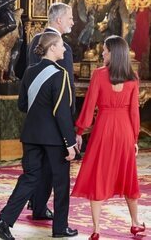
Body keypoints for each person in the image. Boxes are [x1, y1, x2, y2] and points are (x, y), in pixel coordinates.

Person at [0, 32, 79, 240]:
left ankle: (4, 220)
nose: (64, 49)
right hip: (54, 139)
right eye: (61, 46)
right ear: (51, 49)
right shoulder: (60, 74)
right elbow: (62, 112)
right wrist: (70, 142)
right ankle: (60, 228)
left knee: (29, 179)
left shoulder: (29, 71)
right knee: (60, 183)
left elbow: (22, 105)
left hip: (30, 135)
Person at [71, 35, 145, 240]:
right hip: (124, 131)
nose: (102, 53)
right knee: (128, 176)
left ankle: (96, 229)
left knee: (99, 175)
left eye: (105, 50)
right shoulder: (133, 78)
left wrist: (79, 131)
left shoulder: (98, 75)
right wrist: (134, 139)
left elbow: (89, 107)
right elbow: (134, 113)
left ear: (113, 52)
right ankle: (135, 223)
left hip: (103, 129)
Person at [26, 2, 78, 230]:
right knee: (55, 169)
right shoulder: (60, 47)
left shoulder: (33, 42)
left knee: (40, 166)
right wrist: (71, 123)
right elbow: (67, 87)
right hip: (56, 117)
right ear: (58, 20)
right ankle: (56, 222)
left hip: (35, 118)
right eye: (70, 18)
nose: (73, 22)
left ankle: (38, 206)